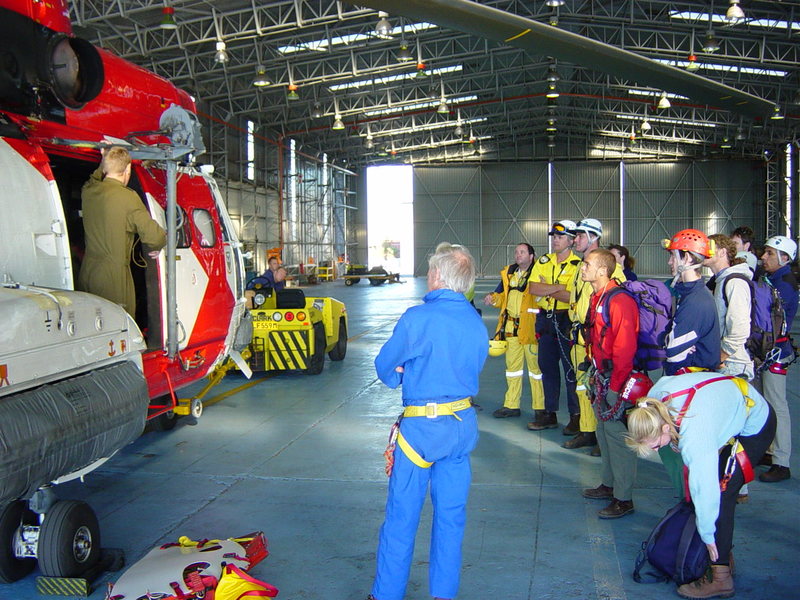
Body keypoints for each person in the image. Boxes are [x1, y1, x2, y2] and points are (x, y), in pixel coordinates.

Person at [369, 244, 488, 600]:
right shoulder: (474, 320)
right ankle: (443, 594)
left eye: (431, 270)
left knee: (402, 518)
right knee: (451, 518)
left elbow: (384, 365)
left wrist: (401, 375)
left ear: (438, 276)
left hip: (422, 432)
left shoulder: (417, 318)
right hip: (461, 427)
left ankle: (386, 594)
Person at [626, 372, 776, 599]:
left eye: (656, 445)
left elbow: (705, 491)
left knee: (722, 494)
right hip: (726, 406)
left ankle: (721, 578)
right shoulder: (653, 402)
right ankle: (723, 550)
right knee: (711, 490)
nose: (657, 451)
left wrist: (707, 534)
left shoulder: (695, 434)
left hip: (755, 426)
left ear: (666, 428)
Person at [578, 249, 643, 518]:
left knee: (617, 438)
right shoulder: (597, 297)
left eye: (587, 265)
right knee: (604, 434)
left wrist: (616, 388)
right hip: (601, 376)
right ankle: (609, 483)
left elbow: (625, 349)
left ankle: (623, 498)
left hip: (616, 378)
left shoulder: (619, 301)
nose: (582, 269)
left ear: (603, 270)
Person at [78, 146, 166, 317]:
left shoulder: (88, 191)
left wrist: (105, 160)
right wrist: (160, 244)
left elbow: (94, 178)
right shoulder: (128, 197)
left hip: (88, 272)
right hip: (113, 278)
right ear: (128, 169)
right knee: (119, 325)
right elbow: (154, 235)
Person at [526, 220, 581, 431]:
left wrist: (547, 288)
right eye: (554, 237)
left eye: (560, 237)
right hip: (545, 319)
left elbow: (571, 297)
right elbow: (533, 288)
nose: (555, 240)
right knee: (547, 367)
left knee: (570, 370)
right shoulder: (543, 261)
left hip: (566, 319)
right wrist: (558, 287)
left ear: (571, 240)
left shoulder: (578, 265)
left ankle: (576, 416)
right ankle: (549, 413)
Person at [483, 243, 544, 419]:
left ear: (531, 256)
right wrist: (493, 299)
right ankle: (511, 405)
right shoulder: (509, 273)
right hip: (510, 329)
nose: (518, 255)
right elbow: (502, 296)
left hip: (531, 329)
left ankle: (540, 408)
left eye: (522, 252)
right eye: (516, 252)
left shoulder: (538, 272)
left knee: (536, 371)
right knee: (512, 370)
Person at [757, 235, 799, 483]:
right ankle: (771, 451)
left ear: (785, 258)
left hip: (776, 354)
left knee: (777, 405)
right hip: (767, 352)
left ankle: (782, 461)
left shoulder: (784, 284)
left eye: (770, 254)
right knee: (767, 403)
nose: (764, 257)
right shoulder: (773, 279)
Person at [662, 229, 721, 375]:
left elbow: (673, 352)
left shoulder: (696, 301)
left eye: (673, 256)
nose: (669, 262)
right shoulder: (690, 294)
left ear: (687, 258)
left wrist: (671, 341)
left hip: (691, 381)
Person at [704, 234, 754, 380]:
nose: (704, 252)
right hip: (726, 362)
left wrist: (720, 356)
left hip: (733, 365)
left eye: (710, 248)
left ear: (722, 252)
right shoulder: (720, 281)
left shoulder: (734, 282)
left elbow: (740, 329)